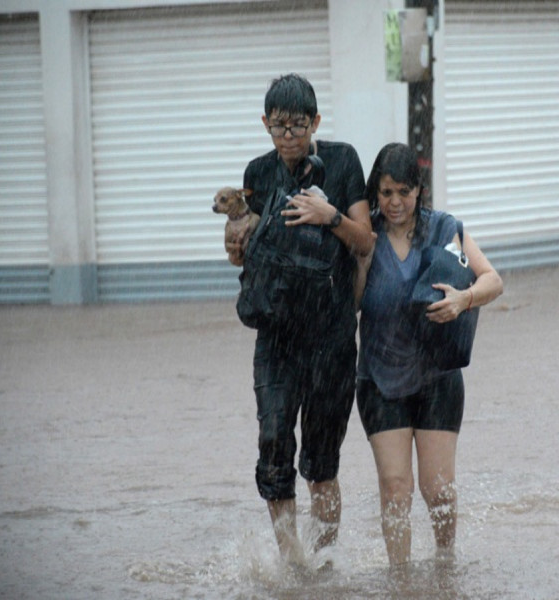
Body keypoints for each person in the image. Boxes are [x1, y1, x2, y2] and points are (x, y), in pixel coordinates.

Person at [237, 73, 374, 564]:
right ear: (265, 125)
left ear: (315, 121)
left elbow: (366, 242)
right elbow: (245, 251)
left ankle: (325, 562)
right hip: (275, 336)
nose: (289, 136)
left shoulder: (341, 161)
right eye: (279, 126)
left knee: (320, 463)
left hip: (331, 338)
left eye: (298, 125)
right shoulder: (257, 172)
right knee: (274, 444)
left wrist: (329, 215)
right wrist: (234, 241)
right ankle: (294, 563)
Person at [356, 143, 503, 566]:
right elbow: (349, 304)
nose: (395, 202)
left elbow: (494, 279)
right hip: (379, 378)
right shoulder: (364, 235)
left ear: (419, 191)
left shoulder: (444, 229)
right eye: (386, 193)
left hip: (438, 376)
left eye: (404, 192)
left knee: (437, 489)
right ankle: (400, 578)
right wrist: (362, 260)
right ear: (375, 194)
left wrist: (464, 299)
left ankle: (445, 562)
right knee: (395, 486)